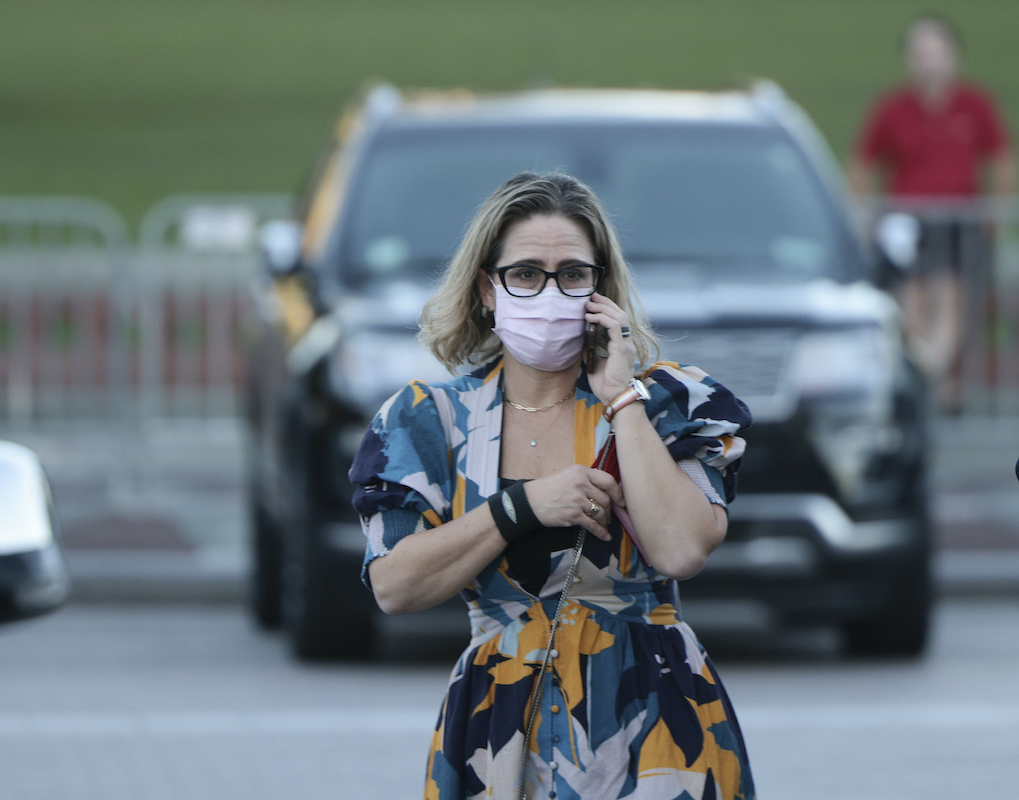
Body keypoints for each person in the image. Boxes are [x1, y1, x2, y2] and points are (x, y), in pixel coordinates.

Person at [349, 172, 755, 800]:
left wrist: (622, 397)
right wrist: (523, 506)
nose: (549, 292)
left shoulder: (669, 403)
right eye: (525, 274)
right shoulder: (430, 419)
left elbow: (681, 550)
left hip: (657, 724)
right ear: (487, 289)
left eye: (571, 274)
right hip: (499, 727)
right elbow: (395, 585)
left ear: (600, 289)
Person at [848, 13, 1014, 412]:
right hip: (908, 222)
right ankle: (925, 382)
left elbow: (1002, 160)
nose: (930, 62)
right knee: (913, 304)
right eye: (922, 53)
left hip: (959, 223)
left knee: (951, 298)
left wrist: (994, 213)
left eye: (937, 52)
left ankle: (924, 383)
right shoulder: (893, 108)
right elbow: (862, 163)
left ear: (953, 55)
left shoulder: (974, 104)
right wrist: (865, 217)